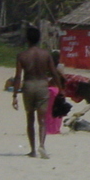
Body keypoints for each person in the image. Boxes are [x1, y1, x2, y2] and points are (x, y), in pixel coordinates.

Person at [12, 26, 63, 159]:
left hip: (28, 85)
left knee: (30, 118)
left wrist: (15, 95)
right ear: (39, 39)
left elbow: (18, 76)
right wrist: (61, 90)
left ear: (27, 39)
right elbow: (54, 73)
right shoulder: (45, 54)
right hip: (42, 85)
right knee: (42, 119)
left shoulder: (22, 55)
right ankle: (42, 145)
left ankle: (32, 150)